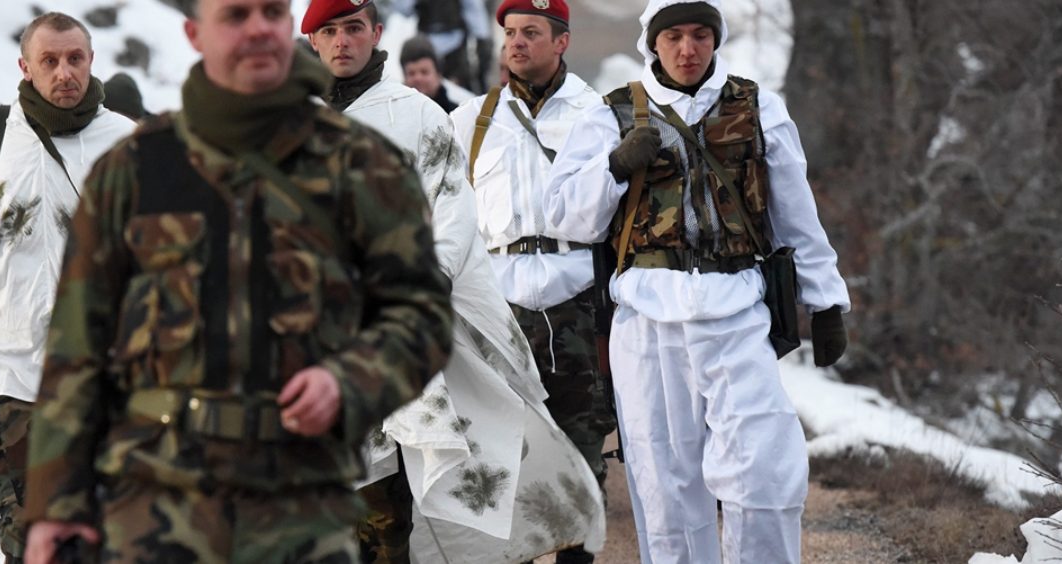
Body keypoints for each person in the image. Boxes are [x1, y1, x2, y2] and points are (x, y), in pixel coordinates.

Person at [19, 0, 456, 562]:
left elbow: (421, 316)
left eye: (272, 12)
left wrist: (350, 383)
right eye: (235, 15)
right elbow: (76, 348)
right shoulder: (133, 171)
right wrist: (55, 502)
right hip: (157, 505)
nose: (257, 28)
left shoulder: (361, 164)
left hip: (304, 502)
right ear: (195, 34)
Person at [544, 1, 851, 562]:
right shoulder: (610, 115)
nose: (688, 49)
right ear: (653, 44)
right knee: (665, 485)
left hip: (736, 310)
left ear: (716, 40)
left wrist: (825, 301)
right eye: (675, 37)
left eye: (701, 36)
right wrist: (613, 166)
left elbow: (795, 214)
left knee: (764, 472)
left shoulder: (757, 108)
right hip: (645, 317)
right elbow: (565, 216)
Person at [303, 1, 603, 561]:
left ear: (375, 33)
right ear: (313, 42)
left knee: (392, 490)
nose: (342, 41)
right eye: (329, 31)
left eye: (352, 28)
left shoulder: (418, 115)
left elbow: (451, 209)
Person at [0, 12, 134, 563]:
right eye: (50, 61)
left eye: (75, 59)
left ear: (91, 61)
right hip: (8, 366)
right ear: (25, 67)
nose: (64, 72)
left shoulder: (130, 146)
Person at [449, 1, 615, 561]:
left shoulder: (597, 113)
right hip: (499, 304)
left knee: (582, 442)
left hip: (577, 296)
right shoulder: (470, 121)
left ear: (561, 41)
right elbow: (450, 219)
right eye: (511, 33)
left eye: (531, 33)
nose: (517, 43)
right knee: (503, 450)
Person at [398, 36, 458, 113]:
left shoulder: (456, 116)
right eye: (411, 73)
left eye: (424, 72)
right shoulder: (393, 115)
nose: (418, 78)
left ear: (438, 75)